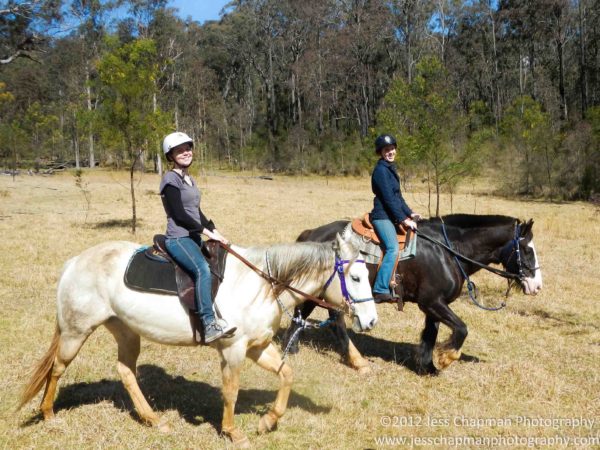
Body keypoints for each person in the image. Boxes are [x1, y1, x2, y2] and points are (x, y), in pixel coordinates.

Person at [159, 131, 234, 343]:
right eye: (179, 150)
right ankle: (209, 324)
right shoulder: (170, 179)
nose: (185, 153)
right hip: (178, 238)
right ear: (170, 155)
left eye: (188, 148)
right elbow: (179, 215)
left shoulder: (189, 180)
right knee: (202, 269)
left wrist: (216, 232)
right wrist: (207, 232)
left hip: (193, 237)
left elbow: (196, 212)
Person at [370, 134, 421, 303]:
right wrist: (403, 219)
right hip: (382, 216)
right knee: (392, 248)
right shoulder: (381, 171)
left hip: (391, 214)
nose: (390, 152)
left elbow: (398, 197)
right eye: (386, 150)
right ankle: (380, 289)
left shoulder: (389, 169)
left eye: (392, 148)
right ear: (381, 152)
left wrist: (410, 213)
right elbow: (388, 199)